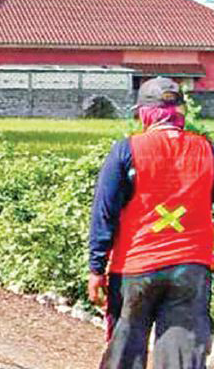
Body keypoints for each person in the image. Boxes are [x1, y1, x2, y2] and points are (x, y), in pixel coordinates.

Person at [88, 76, 213, 368]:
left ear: (145, 113)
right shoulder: (207, 150)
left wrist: (96, 268)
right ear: (180, 112)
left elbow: (104, 213)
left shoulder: (127, 150)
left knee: (124, 354)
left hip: (135, 268)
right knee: (182, 359)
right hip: (191, 268)